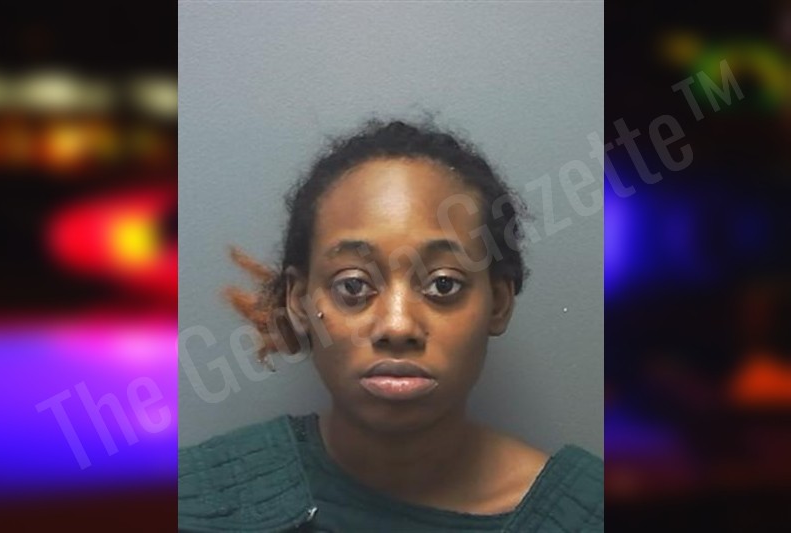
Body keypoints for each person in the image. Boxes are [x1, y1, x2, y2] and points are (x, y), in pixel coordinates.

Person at [178, 119, 603, 532]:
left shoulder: (589, 513)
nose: (398, 326)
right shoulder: (194, 500)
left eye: (443, 284)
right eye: (353, 285)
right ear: (299, 301)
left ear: (499, 302)